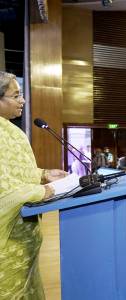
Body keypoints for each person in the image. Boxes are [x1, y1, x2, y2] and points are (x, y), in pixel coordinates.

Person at [0, 71, 67, 299]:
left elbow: (13, 172)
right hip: (7, 246)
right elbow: (3, 188)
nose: (23, 101)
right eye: (16, 95)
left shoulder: (9, 130)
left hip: (24, 238)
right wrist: (44, 191)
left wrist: (44, 175)